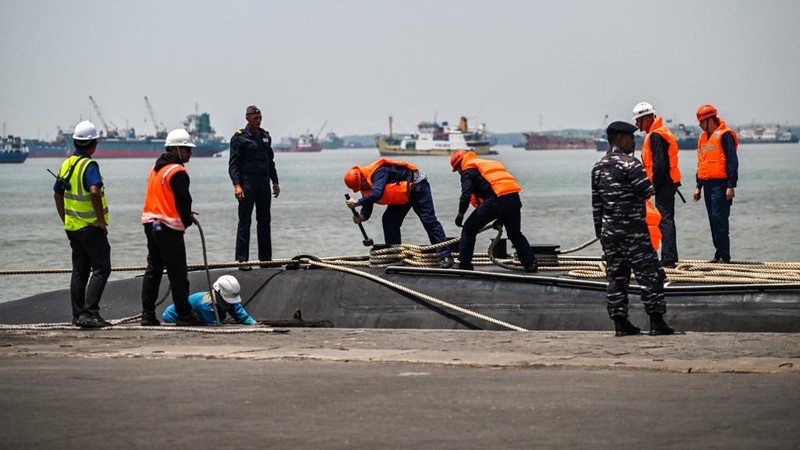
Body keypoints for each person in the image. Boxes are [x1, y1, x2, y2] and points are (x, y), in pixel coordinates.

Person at [591, 121, 674, 337]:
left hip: (610, 233)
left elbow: (596, 204)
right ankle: (656, 322)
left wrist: (600, 233)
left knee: (617, 278)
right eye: (630, 137)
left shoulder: (598, 167)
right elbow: (646, 191)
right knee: (650, 275)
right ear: (619, 138)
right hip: (633, 232)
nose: (633, 141)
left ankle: (620, 323)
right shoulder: (631, 164)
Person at [139, 129, 204, 327]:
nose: (189, 153)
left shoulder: (156, 168)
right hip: (168, 227)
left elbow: (164, 197)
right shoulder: (177, 171)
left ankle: (147, 315)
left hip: (151, 224)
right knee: (178, 273)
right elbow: (184, 199)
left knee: (153, 270)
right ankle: (184, 315)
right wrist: (185, 220)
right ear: (176, 148)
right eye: (186, 149)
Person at [53, 120, 112, 328]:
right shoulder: (89, 165)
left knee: (79, 270)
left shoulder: (66, 164)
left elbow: (57, 194)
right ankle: (90, 312)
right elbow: (94, 191)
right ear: (93, 144)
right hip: (90, 228)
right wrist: (100, 220)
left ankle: (78, 314)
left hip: (73, 228)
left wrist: (65, 219)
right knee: (102, 267)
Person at [344, 158, 454, 268]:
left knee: (428, 220)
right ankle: (395, 256)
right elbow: (368, 201)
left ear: (362, 178)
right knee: (389, 220)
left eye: (361, 186)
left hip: (417, 187)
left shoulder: (379, 172)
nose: (362, 189)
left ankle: (446, 256)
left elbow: (377, 194)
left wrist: (357, 203)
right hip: (402, 193)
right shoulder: (365, 184)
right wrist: (362, 217)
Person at [449, 150, 537, 272]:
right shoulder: (485, 163)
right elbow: (497, 189)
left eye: (457, 170)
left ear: (459, 165)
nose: (459, 172)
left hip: (496, 201)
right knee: (515, 234)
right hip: (514, 199)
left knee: (469, 228)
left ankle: (464, 264)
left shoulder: (467, 171)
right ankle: (531, 264)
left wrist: (460, 215)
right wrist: (501, 218)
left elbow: (466, 195)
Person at [229, 105, 280, 269]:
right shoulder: (239, 138)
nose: (258, 121)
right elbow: (233, 165)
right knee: (245, 220)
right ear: (247, 118)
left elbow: (270, 161)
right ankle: (242, 260)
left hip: (263, 183)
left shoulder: (265, 137)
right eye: (255, 118)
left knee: (265, 221)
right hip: (247, 183)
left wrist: (275, 182)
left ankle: (265, 259)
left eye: (260, 118)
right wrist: (237, 185)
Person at [632, 102, 682, 268]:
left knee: (665, 220)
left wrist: (652, 186)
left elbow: (659, 165)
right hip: (666, 183)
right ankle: (669, 256)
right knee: (666, 219)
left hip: (663, 184)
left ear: (647, 119)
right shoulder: (657, 133)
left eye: (638, 121)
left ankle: (668, 259)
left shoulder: (656, 135)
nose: (636, 125)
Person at [692, 104, 739, 263]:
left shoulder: (725, 135)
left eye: (701, 122)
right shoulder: (703, 138)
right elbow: (702, 163)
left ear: (710, 120)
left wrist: (731, 185)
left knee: (720, 219)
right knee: (712, 219)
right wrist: (698, 186)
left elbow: (732, 161)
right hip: (707, 184)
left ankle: (725, 256)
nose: (699, 125)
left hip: (721, 185)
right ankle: (718, 253)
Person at [162, 275, 257, 326]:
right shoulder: (205, 305)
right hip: (172, 316)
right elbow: (213, 324)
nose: (230, 303)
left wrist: (253, 323)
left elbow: (240, 314)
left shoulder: (229, 299)